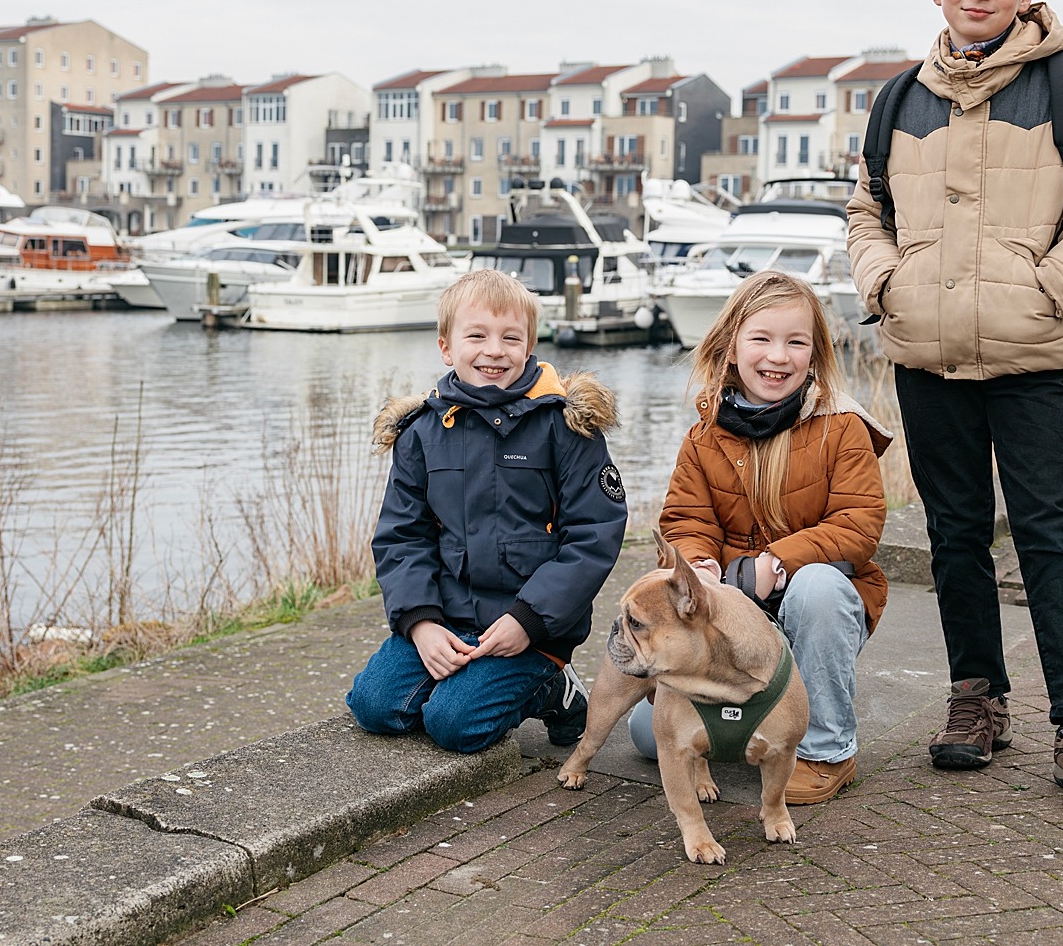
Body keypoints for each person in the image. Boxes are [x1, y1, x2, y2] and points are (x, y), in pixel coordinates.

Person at [846, 0, 1063, 809]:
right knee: (954, 537)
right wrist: (885, 287)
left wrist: (1050, 286)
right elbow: (868, 213)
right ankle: (976, 698)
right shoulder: (897, 98)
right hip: (925, 354)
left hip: (1032, 356)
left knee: (1053, 535)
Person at [634, 269, 891, 805]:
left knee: (816, 587)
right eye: (762, 339)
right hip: (734, 617)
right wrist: (700, 567)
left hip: (812, 610)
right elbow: (687, 523)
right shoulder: (704, 436)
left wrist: (779, 560)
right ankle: (751, 719)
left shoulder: (841, 426)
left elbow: (859, 526)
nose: (778, 356)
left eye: (796, 342)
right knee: (643, 733)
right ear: (731, 348)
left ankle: (827, 749)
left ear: (815, 354)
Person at [345, 268, 627, 754]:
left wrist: (530, 621)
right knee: (374, 706)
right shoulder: (421, 434)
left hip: (532, 626)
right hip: (446, 617)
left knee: (454, 725)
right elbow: (401, 536)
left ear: (529, 344)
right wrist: (421, 623)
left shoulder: (566, 428)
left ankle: (552, 688)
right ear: (446, 348)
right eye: (476, 335)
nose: (494, 350)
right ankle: (456, 674)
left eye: (510, 337)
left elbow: (593, 537)